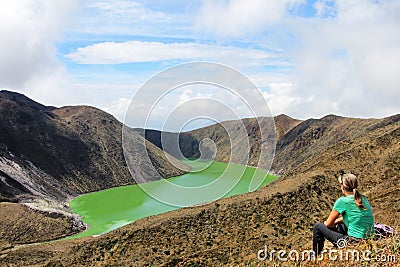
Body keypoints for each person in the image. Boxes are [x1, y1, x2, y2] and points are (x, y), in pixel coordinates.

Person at [312, 173, 374, 255]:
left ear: (343, 187)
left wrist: (329, 224)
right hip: (369, 239)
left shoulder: (342, 201)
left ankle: (316, 254)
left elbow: (328, 224)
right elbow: (355, 217)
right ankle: (339, 244)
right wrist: (337, 221)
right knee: (341, 225)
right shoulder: (363, 198)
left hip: (353, 242)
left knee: (318, 227)